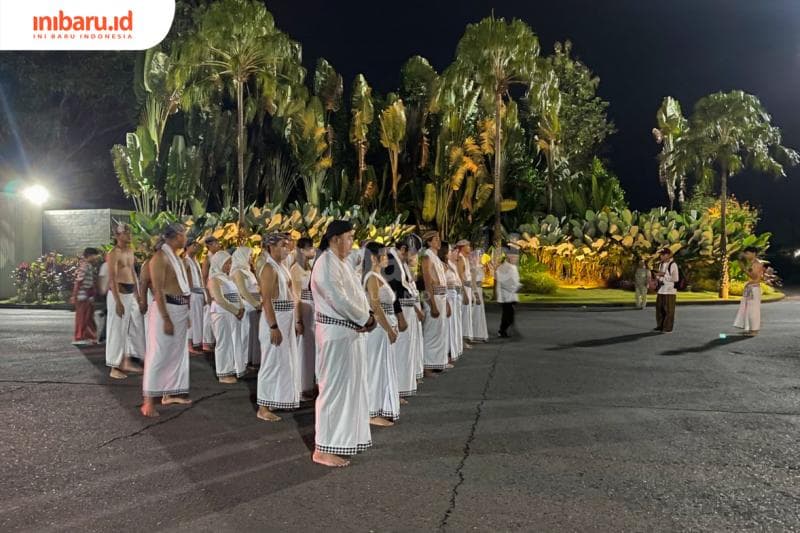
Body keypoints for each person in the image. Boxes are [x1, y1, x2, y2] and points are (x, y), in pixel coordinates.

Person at [311, 220, 376, 468]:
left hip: (349, 334)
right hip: (336, 335)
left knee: (350, 390)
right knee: (334, 390)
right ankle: (323, 449)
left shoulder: (340, 263)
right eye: (349, 237)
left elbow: (355, 294)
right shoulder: (325, 264)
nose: (352, 243)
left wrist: (367, 315)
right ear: (335, 239)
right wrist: (365, 317)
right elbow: (338, 299)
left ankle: (344, 441)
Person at [141, 223, 192, 417]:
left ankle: (169, 393)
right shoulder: (160, 258)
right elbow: (158, 290)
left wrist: (185, 314)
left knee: (176, 354)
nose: (186, 238)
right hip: (167, 310)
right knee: (159, 354)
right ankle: (148, 403)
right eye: (184, 235)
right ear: (177, 236)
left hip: (179, 309)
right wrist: (166, 318)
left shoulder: (176, 258)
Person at [256, 233, 301, 422]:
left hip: (286, 318)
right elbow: (266, 300)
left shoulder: (281, 267)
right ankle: (263, 407)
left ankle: (275, 398)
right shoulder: (268, 268)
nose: (286, 248)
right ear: (271, 247)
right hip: (275, 319)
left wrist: (295, 320)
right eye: (283, 245)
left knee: (283, 361)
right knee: (271, 361)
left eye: (287, 245)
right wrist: (273, 326)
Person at [363, 242, 401, 426]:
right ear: (373, 257)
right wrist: (388, 329)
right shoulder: (371, 278)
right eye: (384, 255)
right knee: (375, 368)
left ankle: (382, 406)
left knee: (383, 368)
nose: (386, 258)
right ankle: (371, 411)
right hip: (378, 329)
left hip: (386, 327)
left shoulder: (379, 276)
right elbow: (375, 307)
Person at [105, 223, 144, 379]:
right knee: (117, 330)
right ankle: (114, 367)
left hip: (130, 294)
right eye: (125, 232)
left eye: (129, 231)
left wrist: (138, 294)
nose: (129, 234)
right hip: (118, 295)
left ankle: (126, 363)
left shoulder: (130, 250)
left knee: (133, 328)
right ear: (117, 235)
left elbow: (133, 272)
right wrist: (118, 302)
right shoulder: (113, 253)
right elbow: (112, 278)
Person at [387, 242, 420, 401]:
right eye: (411, 253)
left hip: (405, 307)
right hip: (399, 308)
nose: (412, 257)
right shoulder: (391, 260)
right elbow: (394, 289)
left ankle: (402, 387)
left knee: (405, 350)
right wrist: (400, 315)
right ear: (403, 249)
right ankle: (397, 389)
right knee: (399, 352)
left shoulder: (399, 261)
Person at [208, 250, 246, 383]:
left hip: (233, 312)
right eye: (226, 263)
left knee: (233, 340)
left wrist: (241, 307)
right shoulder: (214, 279)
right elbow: (219, 299)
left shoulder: (227, 278)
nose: (229, 266)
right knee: (224, 342)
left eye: (230, 263)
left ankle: (234, 368)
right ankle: (223, 373)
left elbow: (237, 294)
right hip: (222, 313)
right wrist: (236, 310)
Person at [290, 237, 317, 400]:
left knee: (311, 350)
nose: (312, 251)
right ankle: (301, 386)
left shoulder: (310, 267)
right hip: (304, 310)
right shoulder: (295, 269)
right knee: (303, 349)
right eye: (309, 248)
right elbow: (296, 296)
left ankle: (309, 383)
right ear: (301, 250)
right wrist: (298, 319)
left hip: (312, 309)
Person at [420, 231, 450, 373]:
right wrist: (432, 305)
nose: (439, 242)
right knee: (431, 333)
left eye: (439, 239)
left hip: (441, 297)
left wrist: (447, 303)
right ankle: (427, 366)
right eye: (436, 239)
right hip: (433, 298)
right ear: (429, 242)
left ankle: (438, 363)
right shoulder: (427, 257)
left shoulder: (436, 258)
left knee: (440, 332)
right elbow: (427, 284)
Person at [230, 246, 261, 368]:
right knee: (245, 334)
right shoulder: (238, 271)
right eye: (249, 255)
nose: (251, 258)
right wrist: (255, 304)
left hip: (255, 304)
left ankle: (252, 359)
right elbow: (243, 291)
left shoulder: (248, 270)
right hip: (247, 305)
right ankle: (243, 361)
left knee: (253, 334)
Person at [71, 247, 102, 345]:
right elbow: (79, 281)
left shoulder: (88, 265)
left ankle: (90, 337)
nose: (97, 258)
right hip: (83, 296)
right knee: (83, 318)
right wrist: (75, 295)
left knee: (88, 317)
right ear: (90, 256)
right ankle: (80, 338)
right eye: (95, 256)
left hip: (87, 296)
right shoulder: (85, 266)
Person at [734, 246, 765, 336]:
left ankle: (754, 330)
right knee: (748, 309)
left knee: (753, 310)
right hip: (751, 288)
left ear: (753, 253)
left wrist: (743, 269)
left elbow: (754, 277)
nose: (746, 255)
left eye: (747, 253)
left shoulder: (756, 264)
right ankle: (750, 328)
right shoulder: (752, 263)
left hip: (754, 289)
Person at [440, 242, 463, 362]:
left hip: (454, 296)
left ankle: (452, 350)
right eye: (449, 251)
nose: (450, 252)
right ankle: (446, 353)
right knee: (448, 327)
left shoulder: (450, 265)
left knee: (453, 326)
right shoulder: (443, 266)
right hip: (448, 297)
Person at [183, 239, 205, 354]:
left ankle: (197, 343)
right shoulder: (185, 261)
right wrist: (189, 294)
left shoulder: (196, 261)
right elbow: (187, 280)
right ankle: (189, 345)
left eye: (197, 245)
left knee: (198, 319)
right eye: (193, 245)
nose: (196, 247)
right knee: (192, 319)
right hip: (192, 293)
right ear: (187, 247)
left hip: (199, 292)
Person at [201, 236, 222, 352]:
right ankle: (206, 341)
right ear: (209, 245)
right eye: (215, 244)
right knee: (209, 315)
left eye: (217, 243)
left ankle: (213, 340)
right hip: (210, 289)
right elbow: (204, 277)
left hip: (218, 288)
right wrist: (207, 293)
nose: (217, 245)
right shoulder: (207, 259)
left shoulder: (218, 257)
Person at [495, 246, 521, 338]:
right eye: (513, 257)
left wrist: (517, 286)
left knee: (509, 314)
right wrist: (515, 286)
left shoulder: (512, 267)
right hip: (505, 296)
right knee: (508, 315)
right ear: (508, 257)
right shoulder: (503, 267)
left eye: (516, 257)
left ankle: (505, 330)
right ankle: (502, 330)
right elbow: (503, 282)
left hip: (511, 295)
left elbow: (515, 280)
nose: (515, 259)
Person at [654, 248, 679, 333]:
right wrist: (658, 277)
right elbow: (661, 276)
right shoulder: (661, 264)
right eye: (660, 254)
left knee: (669, 310)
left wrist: (663, 274)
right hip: (661, 290)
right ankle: (660, 326)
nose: (661, 256)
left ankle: (668, 328)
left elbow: (675, 278)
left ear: (668, 255)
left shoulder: (673, 264)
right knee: (659, 309)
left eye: (663, 254)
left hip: (670, 291)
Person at [456, 240, 475, 345]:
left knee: (467, 315)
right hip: (464, 288)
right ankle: (461, 340)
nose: (470, 247)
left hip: (468, 287)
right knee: (463, 315)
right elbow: (460, 276)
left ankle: (465, 338)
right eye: (468, 246)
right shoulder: (460, 259)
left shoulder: (465, 259)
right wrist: (465, 293)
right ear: (462, 247)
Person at [469, 249, 489, 342]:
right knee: (475, 313)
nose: (480, 256)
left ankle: (480, 334)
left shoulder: (480, 266)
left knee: (479, 313)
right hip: (475, 291)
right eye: (479, 255)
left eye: (481, 255)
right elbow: (473, 283)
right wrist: (476, 296)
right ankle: (473, 335)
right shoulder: (473, 268)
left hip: (480, 290)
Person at [95, 257, 110, 344]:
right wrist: (102, 290)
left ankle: (103, 336)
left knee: (108, 314)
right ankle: (103, 337)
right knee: (108, 315)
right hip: (107, 292)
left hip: (109, 292)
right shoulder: (105, 265)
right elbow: (100, 278)